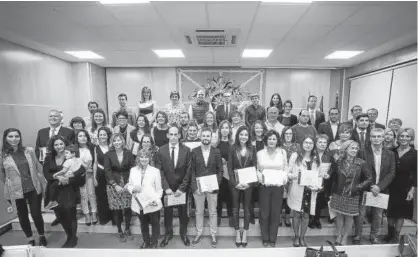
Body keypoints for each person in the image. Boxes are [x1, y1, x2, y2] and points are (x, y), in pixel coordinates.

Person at [0, 128, 47, 246]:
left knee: (36, 214)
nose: (14, 139)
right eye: (10, 136)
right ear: (5, 138)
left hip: (33, 188)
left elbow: (37, 166)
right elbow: (2, 175)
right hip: (14, 191)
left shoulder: (28, 150)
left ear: (20, 138)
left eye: (16, 136)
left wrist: (43, 181)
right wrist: (10, 184)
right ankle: (30, 238)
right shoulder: (2, 155)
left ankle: (41, 235)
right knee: (22, 216)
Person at [43, 135, 86, 248]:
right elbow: (46, 173)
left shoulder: (72, 155)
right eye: (56, 144)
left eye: (61, 144)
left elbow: (81, 170)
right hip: (54, 190)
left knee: (71, 215)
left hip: (69, 189)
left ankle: (72, 238)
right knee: (60, 215)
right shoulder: (49, 157)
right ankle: (69, 235)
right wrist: (57, 177)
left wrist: (69, 179)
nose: (59, 146)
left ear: (65, 144)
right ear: (52, 146)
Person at [326, 140, 372, 245]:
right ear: (345, 149)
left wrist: (358, 187)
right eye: (352, 148)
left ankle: (345, 237)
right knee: (339, 215)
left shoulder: (361, 163)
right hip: (338, 193)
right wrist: (327, 176)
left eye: (356, 148)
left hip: (353, 194)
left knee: (349, 216)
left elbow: (369, 179)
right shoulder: (338, 161)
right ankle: (338, 236)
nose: (354, 150)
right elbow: (332, 174)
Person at [154, 125, 192, 247]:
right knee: (168, 213)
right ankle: (168, 234)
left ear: (180, 135)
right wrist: (166, 188)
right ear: (167, 135)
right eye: (171, 134)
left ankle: (183, 233)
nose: (174, 137)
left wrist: (182, 188)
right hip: (168, 188)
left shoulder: (186, 150)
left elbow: (189, 171)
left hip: (182, 188)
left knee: (183, 213)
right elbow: (159, 171)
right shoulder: (161, 150)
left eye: (176, 134)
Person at [356, 128, 395, 244]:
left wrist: (379, 187)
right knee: (361, 213)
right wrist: (371, 185)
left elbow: (392, 172)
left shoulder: (390, 154)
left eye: (379, 136)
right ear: (370, 138)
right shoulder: (362, 152)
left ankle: (374, 236)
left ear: (383, 138)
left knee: (378, 215)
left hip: (381, 189)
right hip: (365, 188)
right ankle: (358, 235)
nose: (376, 139)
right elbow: (360, 170)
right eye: (374, 136)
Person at [190, 128, 223, 248]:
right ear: (200, 137)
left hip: (212, 188)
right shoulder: (194, 151)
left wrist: (215, 185)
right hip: (198, 188)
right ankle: (198, 233)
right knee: (198, 211)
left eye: (208, 136)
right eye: (203, 136)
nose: (205, 138)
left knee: (213, 212)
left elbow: (220, 170)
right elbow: (192, 171)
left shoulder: (217, 151)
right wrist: (194, 187)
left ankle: (213, 234)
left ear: (211, 137)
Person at [287, 136, 322, 247]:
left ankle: (302, 237)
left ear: (314, 145)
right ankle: (296, 237)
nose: (308, 145)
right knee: (297, 214)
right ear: (302, 144)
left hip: (310, 190)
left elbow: (319, 175)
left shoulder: (316, 158)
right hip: (297, 189)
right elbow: (288, 173)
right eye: (306, 142)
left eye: (311, 143)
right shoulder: (295, 156)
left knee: (306, 215)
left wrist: (317, 186)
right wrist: (296, 176)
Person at [257, 130, 288, 247]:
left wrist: (284, 178)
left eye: (274, 139)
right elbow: (257, 169)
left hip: (278, 187)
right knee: (264, 213)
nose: (272, 141)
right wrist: (261, 179)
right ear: (266, 140)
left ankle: (272, 238)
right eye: (269, 139)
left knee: (275, 213)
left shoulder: (282, 152)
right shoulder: (260, 153)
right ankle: (265, 237)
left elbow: (286, 167)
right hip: (265, 186)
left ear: (277, 140)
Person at [227, 126, 257, 247]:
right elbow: (229, 168)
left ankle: (244, 232)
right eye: (241, 134)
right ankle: (236, 232)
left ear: (248, 136)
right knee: (235, 209)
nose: (243, 137)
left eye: (246, 135)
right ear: (237, 135)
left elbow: (254, 166)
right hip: (235, 183)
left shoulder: (253, 148)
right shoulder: (232, 148)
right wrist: (235, 183)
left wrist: (249, 183)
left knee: (247, 209)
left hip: (248, 183)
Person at [127, 149, 163, 249]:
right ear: (138, 158)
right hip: (139, 202)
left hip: (151, 202)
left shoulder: (155, 171)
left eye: (146, 157)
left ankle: (154, 242)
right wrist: (133, 189)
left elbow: (159, 189)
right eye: (141, 157)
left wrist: (156, 200)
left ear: (149, 158)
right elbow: (129, 185)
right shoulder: (133, 170)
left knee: (155, 223)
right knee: (143, 224)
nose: (144, 159)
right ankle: (146, 241)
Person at [386, 128, 417, 243]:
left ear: (411, 138)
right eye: (402, 136)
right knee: (390, 211)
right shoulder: (391, 151)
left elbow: (416, 174)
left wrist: (412, 190)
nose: (404, 138)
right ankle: (389, 234)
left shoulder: (415, 154)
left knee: (401, 213)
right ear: (398, 138)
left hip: (405, 187)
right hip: (390, 184)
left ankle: (396, 236)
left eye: (407, 136)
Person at [104, 133, 136, 242]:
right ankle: (119, 230)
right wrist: (114, 185)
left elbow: (133, 168)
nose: (117, 142)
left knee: (127, 208)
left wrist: (129, 183)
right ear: (112, 142)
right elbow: (107, 171)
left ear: (123, 141)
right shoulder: (108, 154)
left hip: (127, 184)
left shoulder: (129, 153)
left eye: (119, 140)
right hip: (113, 185)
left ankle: (127, 229)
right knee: (117, 210)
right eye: (115, 140)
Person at [44, 144, 82, 210]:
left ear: (73, 153)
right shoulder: (79, 159)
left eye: (67, 153)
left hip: (66, 178)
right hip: (75, 179)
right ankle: (78, 203)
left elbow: (63, 171)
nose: (65, 155)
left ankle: (53, 201)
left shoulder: (68, 161)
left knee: (53, 186)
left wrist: (56, 174)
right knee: (76, 189)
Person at [309, 134, 331, 229]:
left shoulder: (329, 155)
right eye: (320, 142)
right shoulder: (310, 153)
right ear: (315, 143)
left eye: (325, 142)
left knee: (320, 202)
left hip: (323, 182)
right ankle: (310, 219)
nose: (322, 144)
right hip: (311, 181)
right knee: (311, 201)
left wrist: (329, 174)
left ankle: (316, 219)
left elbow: (333, 168)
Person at [75, 130, 97, 225]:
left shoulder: (92, 147)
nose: (83, 138)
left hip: (91, 174)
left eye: (84, 136)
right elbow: (73, 162)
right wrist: (85, 168)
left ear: (87, 137)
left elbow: (95, 162)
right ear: (77, 138)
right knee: (83, 195)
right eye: (80, 136)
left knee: (92, 194)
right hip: (80, 175)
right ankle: (87, 214)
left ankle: (94, 213)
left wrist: (93, 174)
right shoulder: (74, 149)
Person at [93, 126, 113, 225]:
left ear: (108, 136)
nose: (102, 136)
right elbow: (95, 163)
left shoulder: (112, 146)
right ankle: (104, 218)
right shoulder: (95, 148)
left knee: (112, 195)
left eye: (104, 134)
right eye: (100, 135)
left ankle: (114, 218)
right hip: (100, 173)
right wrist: (94, 178)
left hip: (111, 174)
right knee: (101, 196)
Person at [280, 126, 300, 227]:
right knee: (280, 196)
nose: (288, 136)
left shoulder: (297, 146)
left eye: (290, 134)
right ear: (283, 135)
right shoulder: (279, 146)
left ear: (293, 135)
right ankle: (279, 216)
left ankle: (287, 216)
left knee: (289, 196)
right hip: (281, 174)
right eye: (286, 134)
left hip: (293, 175)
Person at [216, 120, 233, 227]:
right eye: (223, 127)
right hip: (218, 175)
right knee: (218, 197)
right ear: (219, 130)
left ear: (230, 130)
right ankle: (218, 218)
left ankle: (231, 218)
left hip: (230, 175)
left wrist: (227, 162)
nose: (225, 130)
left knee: (230, 197)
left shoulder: (233, 144)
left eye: (227, 127)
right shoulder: (215, 145)